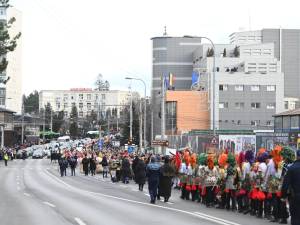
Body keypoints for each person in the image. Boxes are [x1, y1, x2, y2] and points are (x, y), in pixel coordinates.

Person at [281, 150, 300, 225]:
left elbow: (285, 184)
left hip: (295, 197)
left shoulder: (291, 168)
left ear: (297, 156)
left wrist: (283, 196)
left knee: (295, 217)